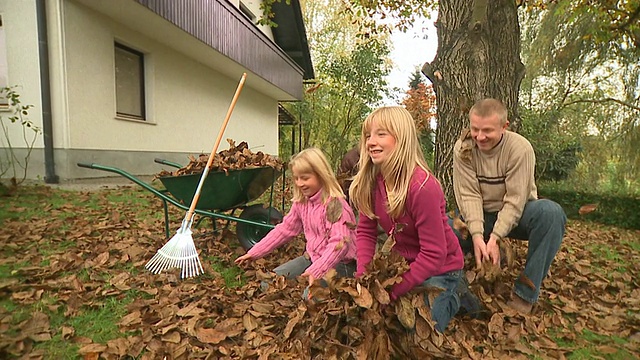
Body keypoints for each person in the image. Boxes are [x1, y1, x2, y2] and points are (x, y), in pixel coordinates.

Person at [349, 106, 481, 333]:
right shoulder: (371, 181)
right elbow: (365, 232)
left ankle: (456, 293)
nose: (371, 141)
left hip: (440, 267)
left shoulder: (422, 186)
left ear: (402, 139)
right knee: (376, 323)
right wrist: (364, 279)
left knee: (416, 333)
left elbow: (434, 254)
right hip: (404, 264)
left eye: (381, 134)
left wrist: (391, 292)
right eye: (368, 135)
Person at [452, 98, 566, 314]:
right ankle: (457, 289)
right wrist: (477, 235)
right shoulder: (463, 148)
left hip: (518, 215)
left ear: (504, 127)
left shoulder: (520, 149)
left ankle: (525, 294)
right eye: (475, 129)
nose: (480, 137)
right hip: (480, 215)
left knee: (552, 214)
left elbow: (515, 201)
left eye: (487, 131)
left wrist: (494, 238)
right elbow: (469, 195)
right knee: (445, 229)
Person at [235, 147, 357, 290]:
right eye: (296, 178)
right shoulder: (302, 202)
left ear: (321, 175)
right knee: (268, 285)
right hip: (312, 257)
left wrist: (318, 270)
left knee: (310, 297)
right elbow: (285, 229)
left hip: (341, 263)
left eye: (305, 178)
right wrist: (254, 252)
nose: (299, 183)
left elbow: (341, 244)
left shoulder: (335, 204)